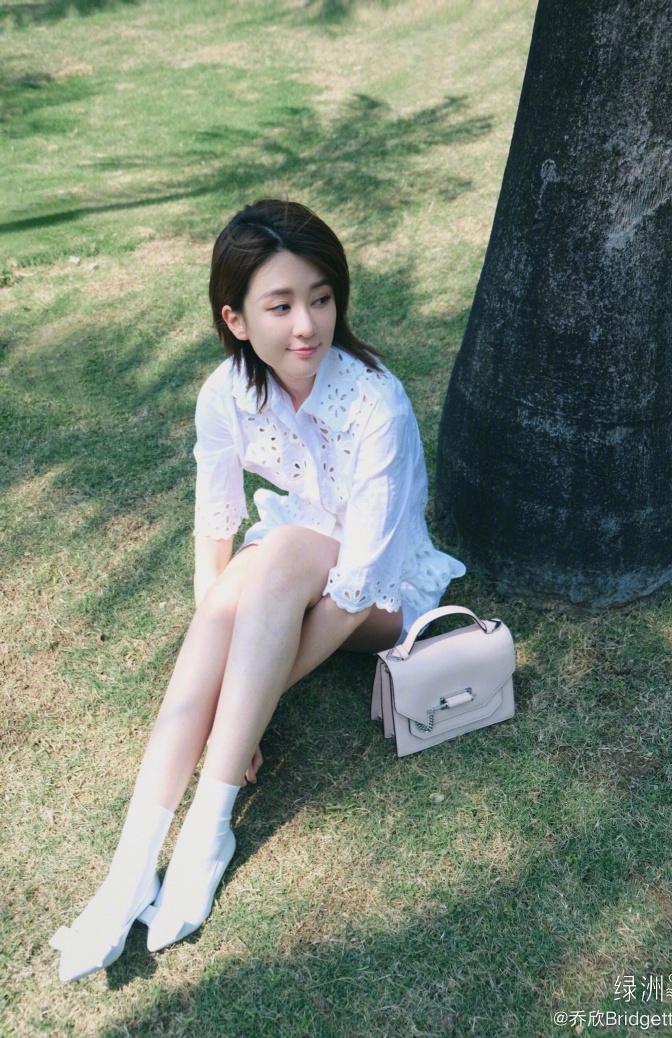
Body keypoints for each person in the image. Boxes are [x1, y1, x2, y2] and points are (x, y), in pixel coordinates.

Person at [49, 199, 465, 982]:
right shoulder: (225, 395)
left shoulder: (375, 401)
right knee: (245, 570)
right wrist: (221, 645)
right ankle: (129, 869)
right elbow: (215, 528)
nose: (307, 324)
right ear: (236, 320)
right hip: (289, 569)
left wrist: (241, 712)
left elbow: (355, 592)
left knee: (274, 559)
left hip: (383, 594)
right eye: (281, 305)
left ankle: (209, 828)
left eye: (321, 297)